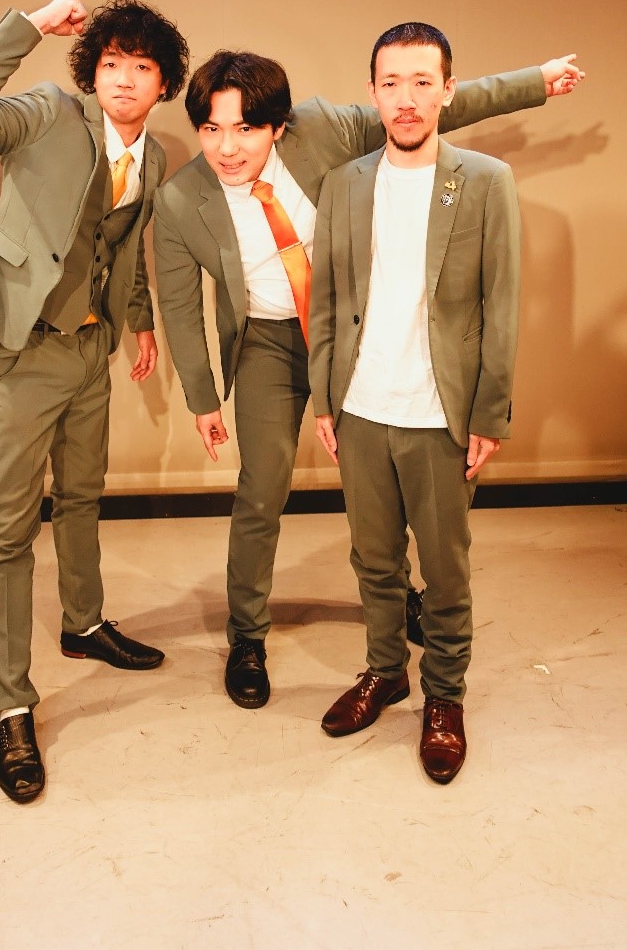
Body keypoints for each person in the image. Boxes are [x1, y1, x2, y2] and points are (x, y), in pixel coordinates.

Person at [153, 41, 582, 712]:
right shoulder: (181, 199)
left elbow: (420, 104)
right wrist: (202, 397)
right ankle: (247, 636)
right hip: (268, 342)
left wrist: (535, 82)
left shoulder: (322, 128)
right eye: (211, 129)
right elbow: (180, 306)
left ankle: (402, 602)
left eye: (245, 128)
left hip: (354, 330)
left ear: (277, 125)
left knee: (392, 487)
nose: (227, 149)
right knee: (260, 489)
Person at [0, 0, 189, 804]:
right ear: (90, 69)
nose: (123, 78)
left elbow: (127, 245)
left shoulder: (153, 156)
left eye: (141, 66)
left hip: (88, 346)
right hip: (23, 348)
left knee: (81, 494)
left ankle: (83, 623)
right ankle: (13, 705)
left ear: (163, 82)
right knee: (9, 528)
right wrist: (33, 26)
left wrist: (139, 321)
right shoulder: (46, 114)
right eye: (111, 62)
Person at [309, 21, 535, 783]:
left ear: (447, 89)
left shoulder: (484, 180)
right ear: (371, 92)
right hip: (361, 408)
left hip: (440, 414)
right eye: (390, 83)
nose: (404, 99)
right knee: (373, 560)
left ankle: (443, 695)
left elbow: (501, 304)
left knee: (443, 569)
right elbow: (327, 297)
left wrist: (489, 412)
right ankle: (384, 670)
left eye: (420, 82)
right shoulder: (344, 182)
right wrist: (324, 398)